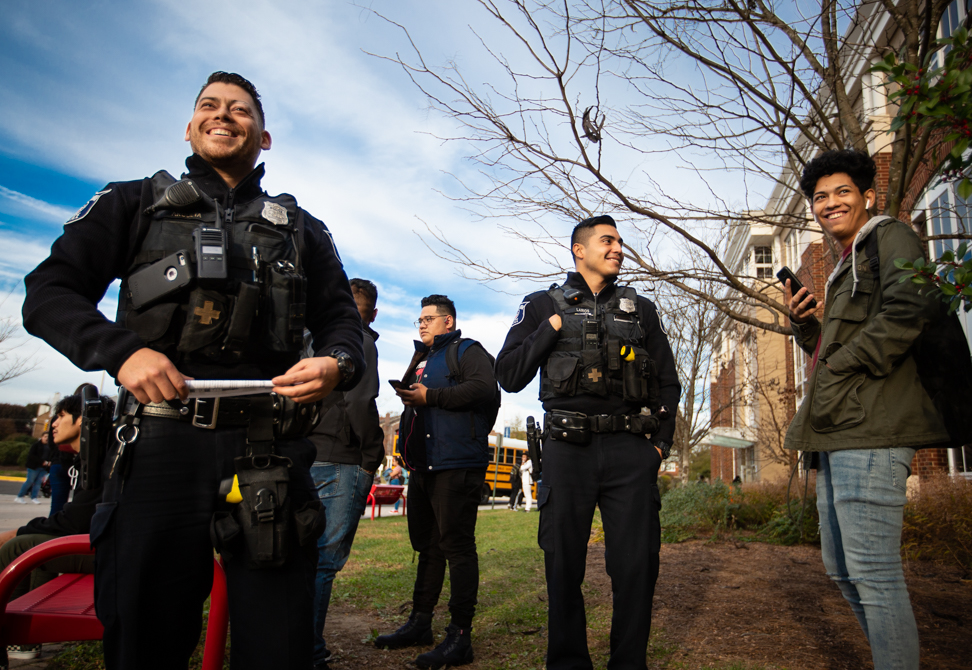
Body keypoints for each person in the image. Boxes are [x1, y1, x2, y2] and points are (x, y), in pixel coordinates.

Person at [21, 72, 364, 670]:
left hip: (268, 449)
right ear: (190, 126)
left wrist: (337, 364)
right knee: (146, 641)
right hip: (157, 443)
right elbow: (47, 293)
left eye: (240, 110)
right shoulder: (130, 202)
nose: (223, 115)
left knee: (279, 646)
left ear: (265, 136)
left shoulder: (303, 228)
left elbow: (342, 321)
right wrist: (120, 351)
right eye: (210, 106)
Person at [784, 149, 967, 670]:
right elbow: (830, 353)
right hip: (837, 431)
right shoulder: (845, 264)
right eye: (820, 197)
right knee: (843, 570)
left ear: (867, 196)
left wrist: (844, 363)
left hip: (875, 430)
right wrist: (804, 325)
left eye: (842, 192)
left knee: (875, 572)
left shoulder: (889, 236)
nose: (829, 203)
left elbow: (911, 308)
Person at [495, 214, 681, 670]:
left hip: (630, 452)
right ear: (579, 249)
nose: (618, 247)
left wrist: (659, 446)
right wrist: (550, 329)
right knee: (562, 568)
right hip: (566, 449)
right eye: (607, 240)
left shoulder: (642, 310)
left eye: (620, 241)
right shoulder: (540, 304)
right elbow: (509, 374)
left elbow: (669, 384)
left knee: (637, 569)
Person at [375, 294, 497, 669]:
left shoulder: (468, 350)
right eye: (419, 319)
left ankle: (460, 636)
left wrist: (432, 397)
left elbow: (485, 388)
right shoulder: (422, 358)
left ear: (449, 321)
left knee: (458, 549)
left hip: (457, 464)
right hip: (423, 467)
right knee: (428, 548)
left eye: (429, 318)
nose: (422, 324)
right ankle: (420, 623)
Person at [309, 277, 385, 670]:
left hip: (307, 452)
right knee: (325, 559)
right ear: (373, 313)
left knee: (301, 555)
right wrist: (371, 456)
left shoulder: (312, 337)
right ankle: (310, 651)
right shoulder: (362, 343)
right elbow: (360, 401)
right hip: (343, 458)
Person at [0, 393, 108, 667]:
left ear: (83, 419)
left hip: (111, 552)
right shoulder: (86, 457)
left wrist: (16, 532)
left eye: (59, 416)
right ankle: (22, 641)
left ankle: (10, 637)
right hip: (104, 545)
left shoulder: (100, 458)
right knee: (36, 543)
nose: (53, 424)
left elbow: (77, 521)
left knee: (18, 545)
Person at [15, 434, 48, 505]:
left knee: (38, 483)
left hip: (43, 468)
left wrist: (48, 462)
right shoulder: (36, 445)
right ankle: (19, 496)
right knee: (29, 481)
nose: (47, 438)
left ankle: (34, 498)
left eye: (48, 437)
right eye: (45, 437)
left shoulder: (50, 446)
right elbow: (31, 455)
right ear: (42, 437)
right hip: (33, 467)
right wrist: (42, 461)